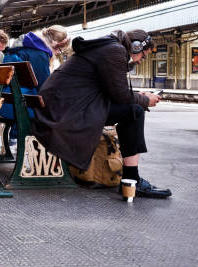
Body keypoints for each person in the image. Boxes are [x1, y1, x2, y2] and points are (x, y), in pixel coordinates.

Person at [34, 29, 170, 198]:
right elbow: (119, 95)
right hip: (65, 113)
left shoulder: (107, 47)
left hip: (61, 107)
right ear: (135, 47)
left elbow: (111, 89)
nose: (142, 60)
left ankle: (131, 178)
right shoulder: (115, 51)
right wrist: (143, 101)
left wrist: (137, 97)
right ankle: (131, 179)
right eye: (143, 55)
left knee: (132, 109)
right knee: (135, 112)